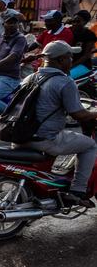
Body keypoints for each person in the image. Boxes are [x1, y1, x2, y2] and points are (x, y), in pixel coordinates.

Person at [19, 40, 97, 207]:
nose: (72, 61)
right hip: (45, 139)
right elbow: (78, 114)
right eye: (70, 57)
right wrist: (94, 114)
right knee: (90, 145)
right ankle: (78, 191)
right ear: (61, 60)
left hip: (20, 136)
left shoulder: (30, 78)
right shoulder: (64, 82)